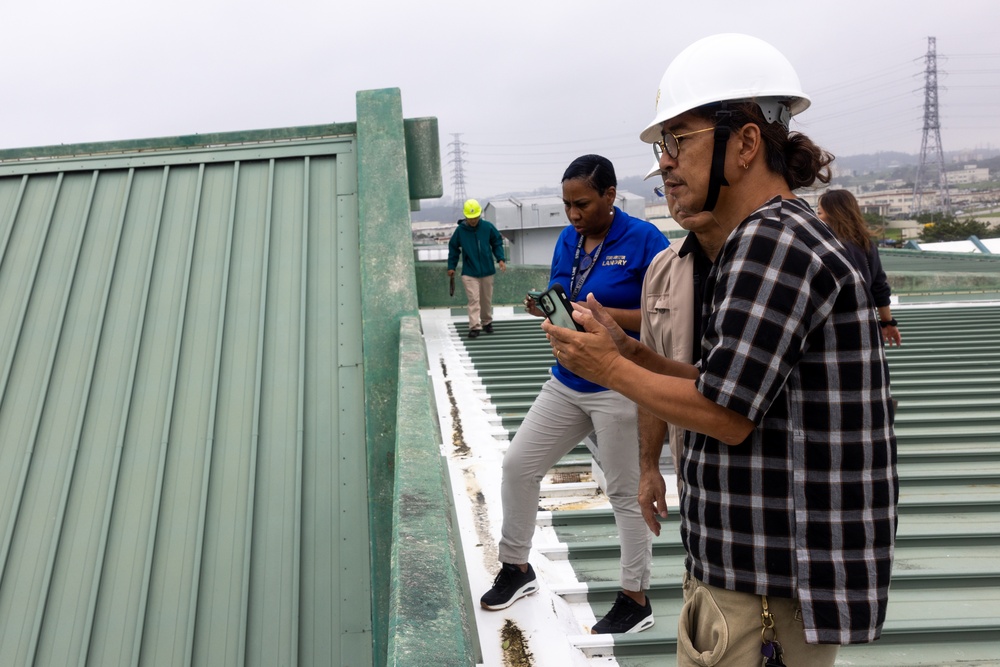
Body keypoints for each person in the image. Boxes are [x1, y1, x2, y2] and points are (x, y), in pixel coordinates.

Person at [543, 34, 897, 666]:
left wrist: (609, 368)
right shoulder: (773, 236)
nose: (667, 162)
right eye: (663, 145)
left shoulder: (771, 241)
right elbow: (733, 383)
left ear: (746, 142)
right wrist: (633, 351)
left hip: (762, 597)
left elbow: (725, 415)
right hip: (749, 586)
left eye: (680, 139)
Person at [480, 154, 669, 635]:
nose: (573, 215)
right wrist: (547, 306)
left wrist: (599, 313)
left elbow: (665, 315)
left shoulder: (647, 241)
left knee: (626, 492)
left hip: (619, 385)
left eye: (582, 203)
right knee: (518, 466)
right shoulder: (570, 239)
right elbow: (563, 289)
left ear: (610, 195)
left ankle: (635, 598)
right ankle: (517, 568)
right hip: (568, 380)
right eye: (567, 205)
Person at [818, 189, 902, 346]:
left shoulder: (825, 249)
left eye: (820, 213)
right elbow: (879, 287)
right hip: (864, 330)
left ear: (834, 215)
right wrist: (887, 323)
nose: (817, 218)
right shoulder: (865, 245)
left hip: (828, 333)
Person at [447, 199, 506, 338]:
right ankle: (474, 326)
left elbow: (497, 242)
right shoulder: (460, 231)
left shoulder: (487, 227)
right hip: (469, 272)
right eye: (470, 218)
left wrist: (501, 259)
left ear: (479, 215)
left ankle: (487, 322)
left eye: (475, 217)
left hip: (487, 270)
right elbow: (453, 248)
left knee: (486, 299)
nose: (473, 221)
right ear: (465, 217)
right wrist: (451, 266)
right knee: (474, 299)